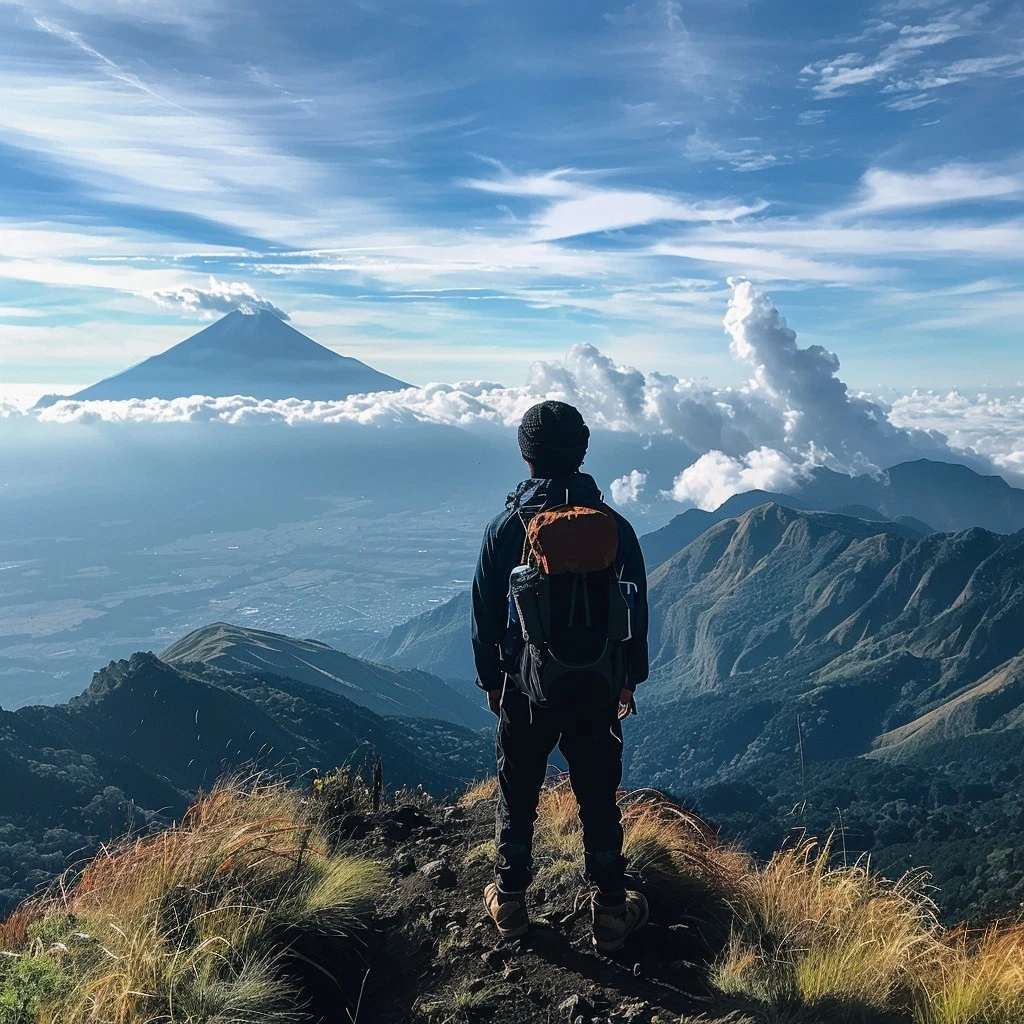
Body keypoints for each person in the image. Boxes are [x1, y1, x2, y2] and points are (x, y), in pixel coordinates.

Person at [472, 400, 650, 953]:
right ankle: (612, 912)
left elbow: (484, 615)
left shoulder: (508, 527)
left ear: (526, 457)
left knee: (518, 788)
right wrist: (629, 680)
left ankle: (511, 903)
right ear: (583, 452)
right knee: (598, 794)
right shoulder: (615, 527)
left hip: (527, 689)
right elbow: (635, 611)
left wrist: (493, 682)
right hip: (597, 689)